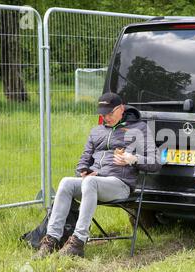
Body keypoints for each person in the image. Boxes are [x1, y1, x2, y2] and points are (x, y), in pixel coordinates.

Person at [34, 92, 162, 259]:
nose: (106, 117)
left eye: (110, 113)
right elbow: (83, 161)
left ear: (121, 108)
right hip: (93, 183)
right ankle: (51, 240)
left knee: (90, 182)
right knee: (66, 182)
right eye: (103, 114)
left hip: (120, 185)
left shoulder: (139, 129)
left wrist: (134, 159)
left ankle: (78, 242)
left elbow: (156, 161)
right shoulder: (96, 131)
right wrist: (83, 171)